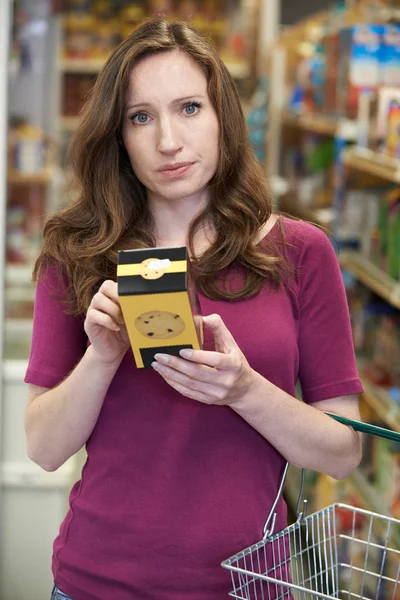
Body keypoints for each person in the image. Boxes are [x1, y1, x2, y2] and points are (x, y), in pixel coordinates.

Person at [24, 19, 363, 600]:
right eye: (141, 117)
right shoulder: (77, 253)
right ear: (118, 137)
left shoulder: (301, 252)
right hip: (97, 584)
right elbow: (44, 448)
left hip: (250, 585)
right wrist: (102, 357)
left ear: (223, 117)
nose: (168, 143)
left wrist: (245, 391)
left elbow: (342, 451)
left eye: (188, 108)